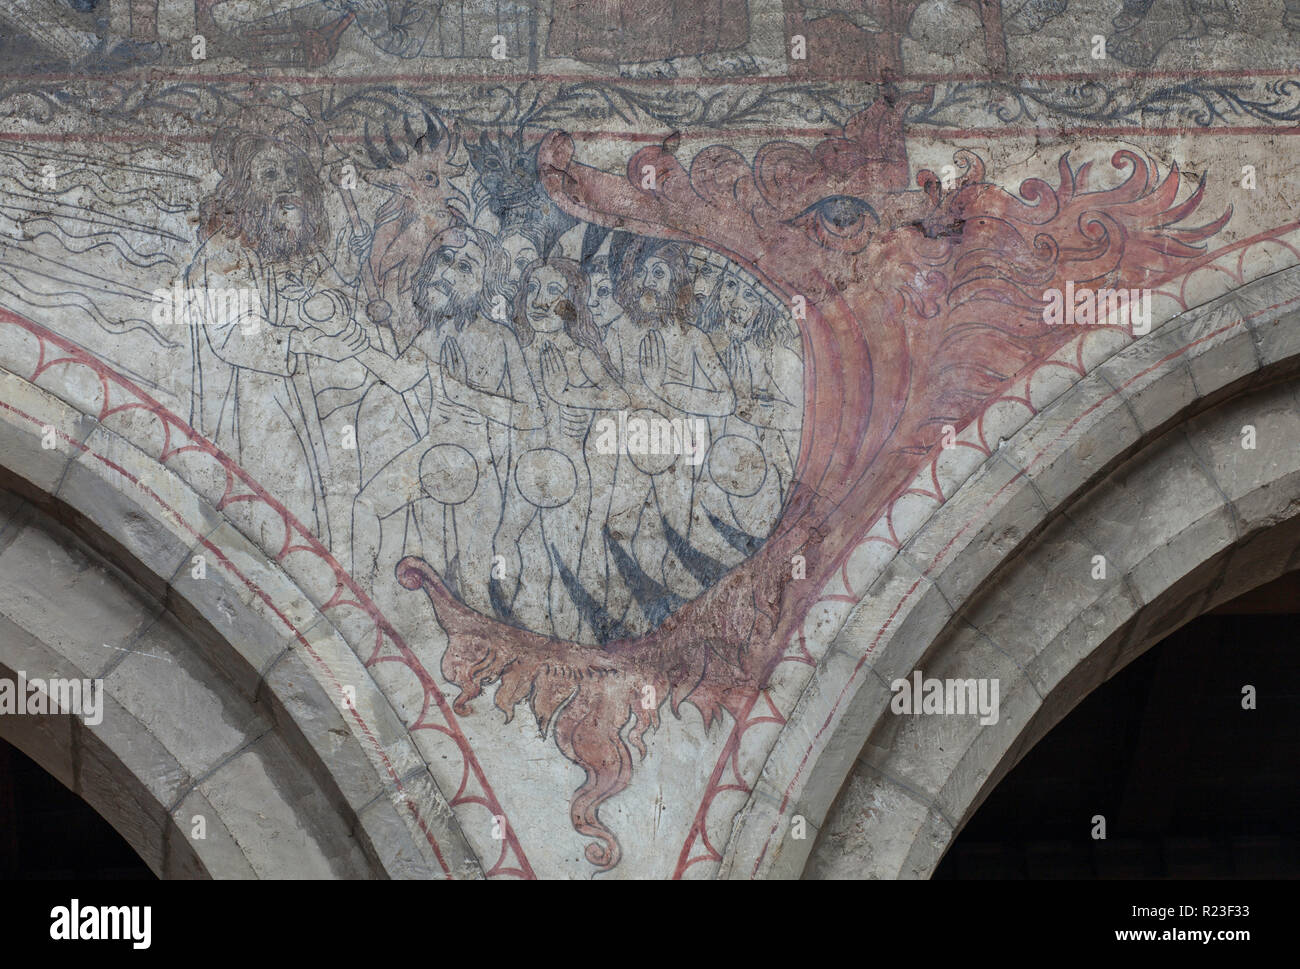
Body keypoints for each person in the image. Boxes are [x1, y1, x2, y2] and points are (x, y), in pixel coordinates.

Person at [188, 115, 370, 548]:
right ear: (246, 191)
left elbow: (337, 308)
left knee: (317, 513)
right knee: (267, 520)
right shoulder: (223, 254)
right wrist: (309, 342)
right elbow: (233, 334)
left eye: (292, 173)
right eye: (269, 175)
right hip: (251, 408)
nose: (285, 184)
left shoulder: (298, 254)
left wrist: (352, 273)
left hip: (308, 410)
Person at [349, 225, 542, 617]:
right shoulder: (431, 331)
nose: (447, 273)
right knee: (365, 508)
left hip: (480, 468)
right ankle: (360, 603)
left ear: (486, 286)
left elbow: (530, 415)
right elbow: (401, 376)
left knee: (472, 576)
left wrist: (465, 395)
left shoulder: (498, 338)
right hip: (435, 455)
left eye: (465, 267)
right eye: (445, 260)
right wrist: (350, 339)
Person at [492, 257, 630, 640]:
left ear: (572, 301)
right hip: (523, 467)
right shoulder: (516, 347)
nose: (539, 300)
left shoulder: (579, 352)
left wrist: (569, 395)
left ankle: (564, 645)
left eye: (554, 291)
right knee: (506, 542)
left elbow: (619, 396)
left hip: (566, 470)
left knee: (563, 566)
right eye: (533, 289)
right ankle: (517, 625)